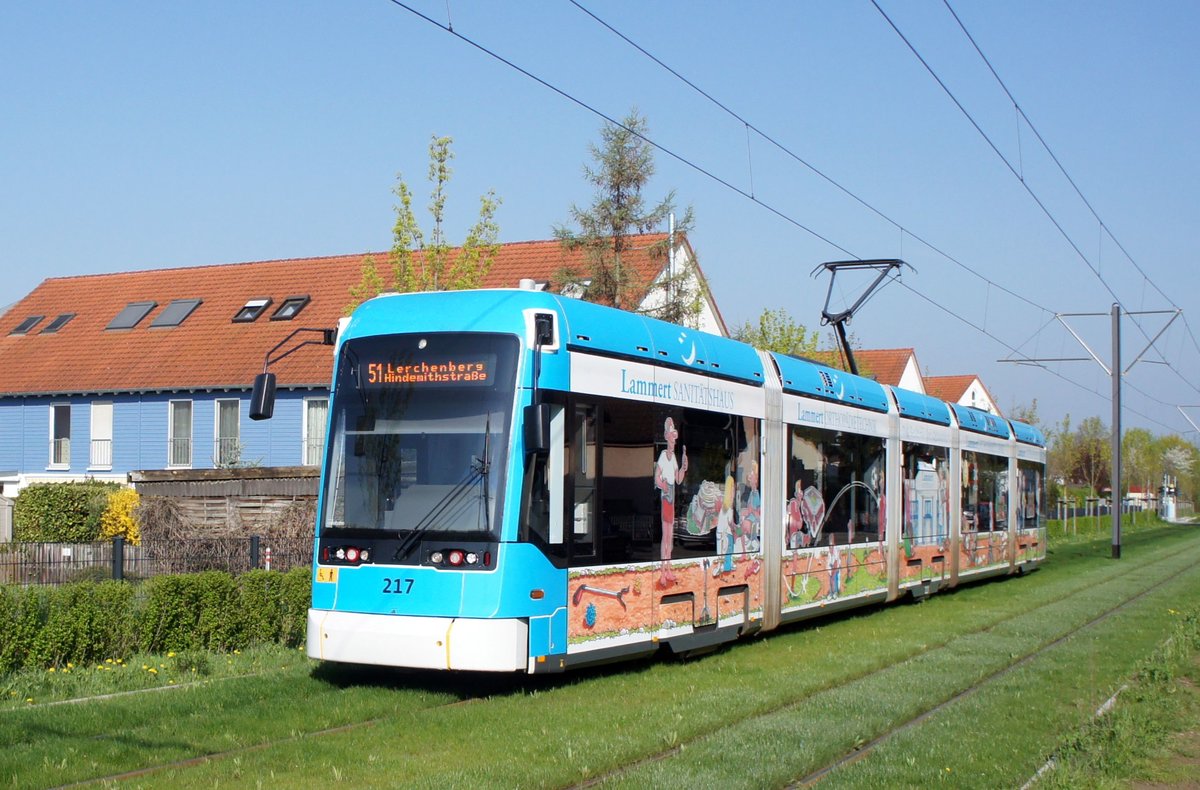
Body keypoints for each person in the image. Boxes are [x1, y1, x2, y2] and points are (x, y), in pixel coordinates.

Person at [655, 416, 688, 587]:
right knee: (665, 536)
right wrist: (664, 487)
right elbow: (657, 477)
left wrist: (683, 468)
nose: (674, 440)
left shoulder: (674, 456)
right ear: (667, 437)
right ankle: (662, 571)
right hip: (666, 498)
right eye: (672, 436)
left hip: (672, 496)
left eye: (675, 437)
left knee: (670, 536)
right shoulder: (663, 455)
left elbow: (679, 480)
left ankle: (668, 569)